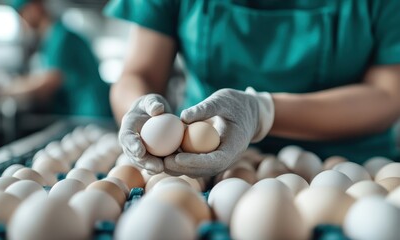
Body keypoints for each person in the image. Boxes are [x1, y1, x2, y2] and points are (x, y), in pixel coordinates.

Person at [105, 0, 400, 177]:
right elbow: (138, 73)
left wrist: (262, 112)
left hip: (349, 165)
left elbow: (389, 94)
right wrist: (140, 110)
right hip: (201, 164)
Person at [1, 0, 112, 117]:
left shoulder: (61, 37)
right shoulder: (51, 39)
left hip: (90, 110)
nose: (21, 22)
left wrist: (6, 89)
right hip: (78, 110)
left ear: (34, 7)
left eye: (22, 14)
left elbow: (49, 82)